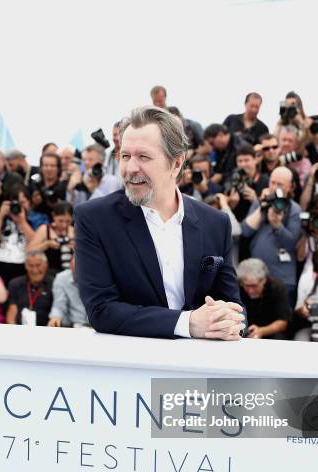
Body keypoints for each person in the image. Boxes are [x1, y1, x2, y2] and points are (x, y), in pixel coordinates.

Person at [74, 106, 244, 340]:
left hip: (199, 369)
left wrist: (231, 322)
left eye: (143, 156)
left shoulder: (215, 223)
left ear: (176, 163)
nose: (131, 168)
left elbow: (233, 305)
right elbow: (101, 310)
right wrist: (187, 323)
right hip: (130, 368)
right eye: (125, 156)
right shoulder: (94, 219)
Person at [241, 166, 302, 305]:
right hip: (256, 279)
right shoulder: (259, 203)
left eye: (279, 184)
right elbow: (245, 231)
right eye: (272, 183)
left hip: (282, 279)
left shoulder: (294, 209)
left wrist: (277, 225)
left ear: (290, 187)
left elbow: (291, 243)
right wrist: (263, 207)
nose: (274, 187)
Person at [237, 258, 291, 339]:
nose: (250, 291)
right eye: (247, 286)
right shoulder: (237, 287)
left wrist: (261, 331)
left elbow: (282, 322)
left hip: (270, 332)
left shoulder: (277, 287)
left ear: (264, 279)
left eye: (254, 286)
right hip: (243, 330)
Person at [6, 250, 54, 326]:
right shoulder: (15, 284)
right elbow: (12, 310)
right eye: (30, 266)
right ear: (25, 266)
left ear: (46, 264)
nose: (34, 270)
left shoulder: (54, 284)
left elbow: (56, 314)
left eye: (38, 265)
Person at [28, 201, 74, 273]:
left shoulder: (74, 231)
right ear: (53, 215)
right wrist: (46, 244)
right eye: (60, 221)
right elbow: (29, 250)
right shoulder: (44, 229)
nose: (64, 225)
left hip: (70, 272)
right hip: (50, 273)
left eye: (68, 221)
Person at [47, 257, 88, 327]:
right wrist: (55, 317)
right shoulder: (61, 278)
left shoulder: (100, 277)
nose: (78, 274)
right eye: (75, 270)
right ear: (70, 267)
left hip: (98, 326)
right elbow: (59, 305)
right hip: (73, 327)